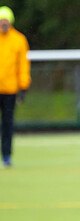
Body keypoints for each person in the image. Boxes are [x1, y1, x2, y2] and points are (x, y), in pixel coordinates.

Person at [0, 6, 29, 168]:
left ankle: (6, 156)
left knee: (7, 123)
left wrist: (23, 87)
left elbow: (23, 66)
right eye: (1, 20)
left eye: (6, 20)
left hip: (10, 90)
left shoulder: (19, 40)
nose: (3, 23)